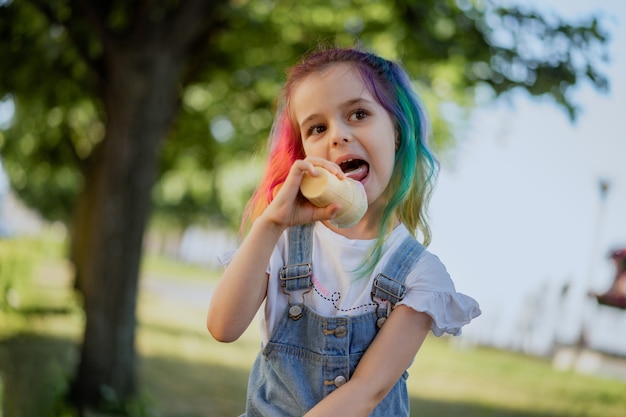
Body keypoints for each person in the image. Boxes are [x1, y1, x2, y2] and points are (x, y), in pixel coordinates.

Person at [207, 47, 481, 417]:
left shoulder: (421, 276)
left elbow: (366, 392)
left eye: (359, 114)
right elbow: (223, 327)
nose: (337, 136)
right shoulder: (283, 242)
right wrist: (270, 223)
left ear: (397, 132)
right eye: (317, 128)